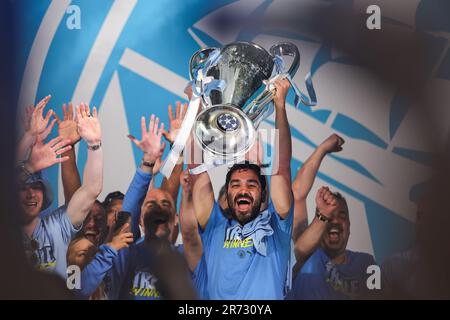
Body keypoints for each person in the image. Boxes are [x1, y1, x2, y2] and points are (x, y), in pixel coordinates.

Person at [188, 78, 294, 299]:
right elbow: (196, 170)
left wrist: (280, 107)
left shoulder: (277, 229)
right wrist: (195, 105)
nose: (243, 190)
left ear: (263, 194)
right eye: (235, 185)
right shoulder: (214, 227)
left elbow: (281, 168)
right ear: (227, 194)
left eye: (251, 184)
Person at [18, 101, 103, 278]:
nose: (31, 193)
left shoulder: (57, 226)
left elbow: (92, 189)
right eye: (23, 188)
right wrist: (29, 146)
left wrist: (94, 144)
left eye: (36, 186)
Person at [287, 134, 376, 300]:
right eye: (329, 215)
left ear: (349, 226)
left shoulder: (367, 264)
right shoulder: (307, 252)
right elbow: (297, 195)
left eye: (341, 215)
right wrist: (322, 149)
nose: (334, 220)